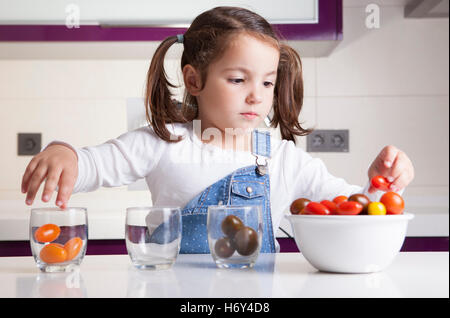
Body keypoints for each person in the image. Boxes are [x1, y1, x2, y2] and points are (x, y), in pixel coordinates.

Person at [21, 6, 414, 253]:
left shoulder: (283, 158)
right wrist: (64, 152)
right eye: (238, 80)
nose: (256, 97)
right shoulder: (164, 142)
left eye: (266, 82)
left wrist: (382, 185)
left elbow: (357, 209)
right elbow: (90, 165)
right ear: (194, 80)